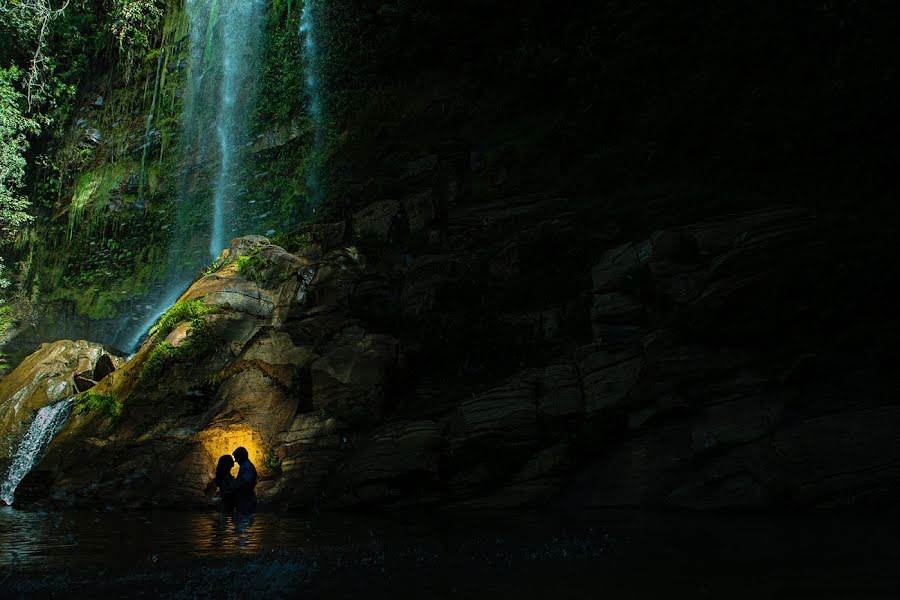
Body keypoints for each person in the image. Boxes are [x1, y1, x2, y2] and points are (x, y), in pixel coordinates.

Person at [231, 446, 258, 514]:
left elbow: (246, 483)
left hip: (246, 501)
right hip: (244, 501)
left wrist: (233, 487)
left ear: (241, 457)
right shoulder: (245, 466)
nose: (235, 461)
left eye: (236, 458)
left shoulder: (247, 467)